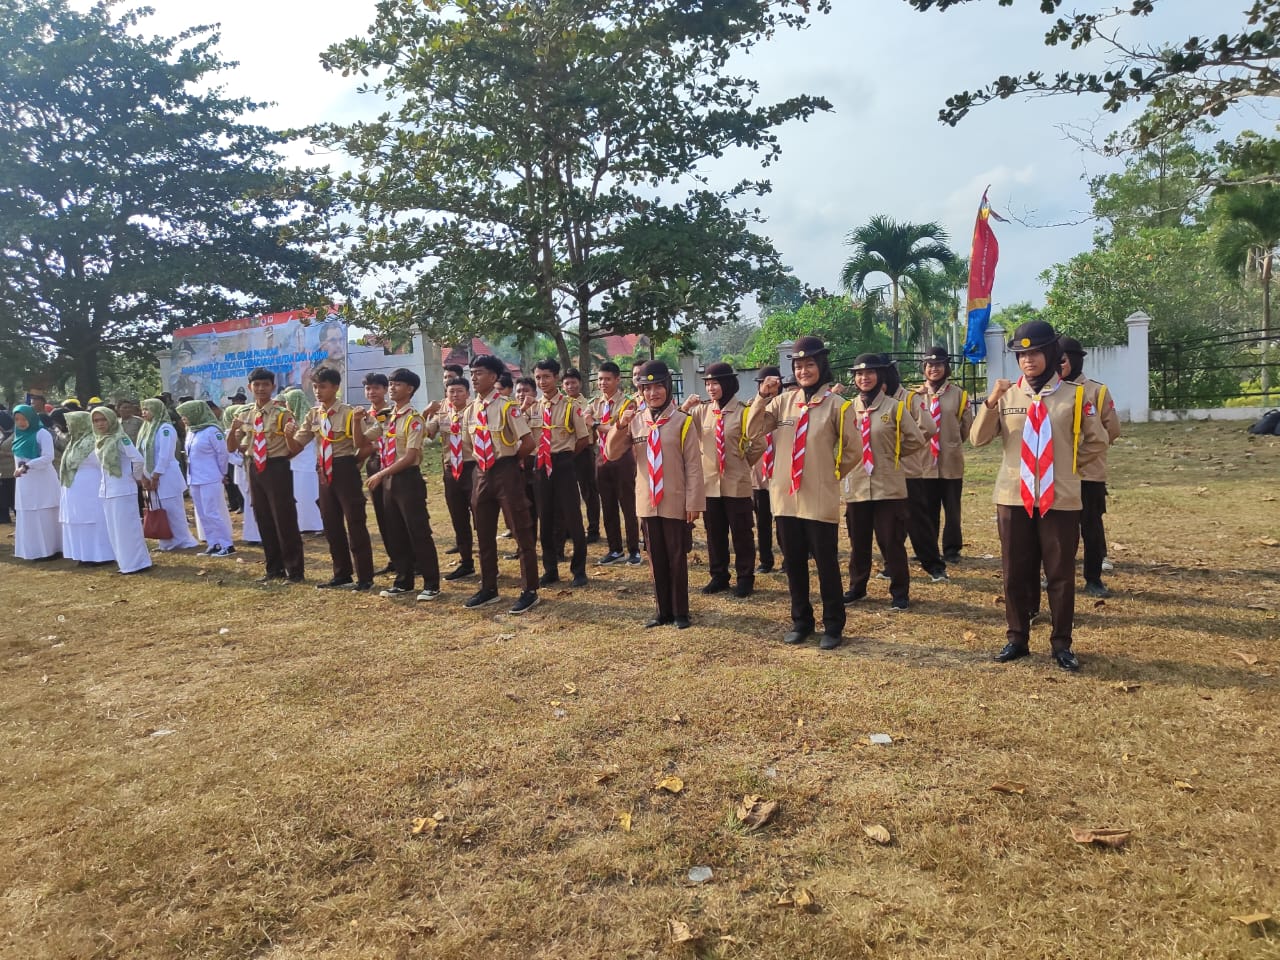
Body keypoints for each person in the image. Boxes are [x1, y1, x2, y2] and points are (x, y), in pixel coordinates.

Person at [971, 319, 1104, 672]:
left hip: (1059, 498)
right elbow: (977, 439)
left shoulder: (1075, 396)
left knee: (1060, 573)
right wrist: (990, 402)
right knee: (1015, 570)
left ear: (1050, 353)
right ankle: (1017, 637)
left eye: (1034, 353)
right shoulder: (1007, 396)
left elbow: (1097, 441)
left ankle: (1061, 643)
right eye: (1021, 354)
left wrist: (1064, 468)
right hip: (1013, 496)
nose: (1027, 360)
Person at [745, 337, 860, 650]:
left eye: (810, 364)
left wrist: (831, 475)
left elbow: (853, 449)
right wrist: (760, 397)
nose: (804, 370)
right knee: (793, 563)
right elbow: (754, 431)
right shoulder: (783, 402)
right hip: (785, 497)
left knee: (826, 564)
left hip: (818, 496)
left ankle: (833, 625)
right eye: (798, 366)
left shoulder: (838, 405)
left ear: (821, 366)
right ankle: (801, 621)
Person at [608, 360, 704, 629]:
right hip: (647, 501)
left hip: (674, 499)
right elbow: (611, 453)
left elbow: (694, 466)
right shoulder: (636, 421)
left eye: (658, 386)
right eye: (647, 388)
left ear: (668, 388)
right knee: (655, 557)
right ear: (641, 391)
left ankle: (681, 612)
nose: (653, 393)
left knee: (676, 557)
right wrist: (619, 426)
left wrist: (694, 502)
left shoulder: (683, 422)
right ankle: (663, 612)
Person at [841, 354, 927, 611]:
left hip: (888, 485)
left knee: (892, 541)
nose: (863, 378)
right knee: (859, 540)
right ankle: (857, 587)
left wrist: (892, 454)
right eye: (858, 374)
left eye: (869, 373)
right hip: (857, 483)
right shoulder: (847, 409)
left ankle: (900, 591)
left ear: (880, 376)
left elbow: (916, 439)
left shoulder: (895, 407)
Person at [463, 354, 540, 614]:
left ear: (494, 377)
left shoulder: (508, 407)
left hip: (506, 471)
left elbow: (528, 443)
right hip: (482, 473)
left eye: (480, 372)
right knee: (483, 532)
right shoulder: (470, 410)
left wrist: (510, 463)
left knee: (521, 530)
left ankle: (529, 590)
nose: (474, 377)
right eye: (472, 372)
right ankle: (489, 588)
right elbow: (466, 443)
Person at [288, 367, 375, 591]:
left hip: (344, 466)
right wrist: (288, 436)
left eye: (323, 386)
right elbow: (297, 446)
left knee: (355, 522)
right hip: (323, 470)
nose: (318, 391)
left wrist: (353, 461)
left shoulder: (348, 412)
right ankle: (341, 573)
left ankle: (365, 576)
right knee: (331, 523)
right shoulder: (313, 414)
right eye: (315, 386)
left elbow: (363, 444)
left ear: (335, 387)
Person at [681, 362, 763, 597]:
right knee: (714, 533)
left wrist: (743, 462)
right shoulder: (702, 411)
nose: (711, 388)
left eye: (715, 383)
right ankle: (719, 575)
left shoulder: (744, 411)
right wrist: (686, 405)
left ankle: (745, 577)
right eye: (707, 383)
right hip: (710, 485)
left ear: (728, 384)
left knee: (742, 533)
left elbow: (758, 443)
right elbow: (678, 425)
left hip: (736, 483)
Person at [363, 368, 443, 602]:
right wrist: (357, 422)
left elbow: (410, 456)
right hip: (389, 479)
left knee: (418, 531)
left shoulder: (414, 419)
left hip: (407, 479)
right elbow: (366, 438)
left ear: (410, 389)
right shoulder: (386, 416)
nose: (392, 387)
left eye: (398, 384)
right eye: (391, 383)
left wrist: (381, 474)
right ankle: (403, 580)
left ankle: (431, 583)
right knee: (395, 530)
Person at [227, 368, 305, 583]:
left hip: (277, 466)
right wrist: (234, 432)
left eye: (265, 384)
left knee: (284, 517)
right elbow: (232, 447)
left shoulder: (282, 414)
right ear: (250, 386)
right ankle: (273, 568)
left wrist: (288, 442)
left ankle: (295, 570)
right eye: (256, 385)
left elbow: (293, 447)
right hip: (254, 466)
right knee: (262, 516)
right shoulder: (244, 414)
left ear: (272, 386)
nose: (261, 389)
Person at [1058, 336, 1122, 598]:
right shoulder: (1051, 392)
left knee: (1091, 527)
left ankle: (1093, 578)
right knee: (1059, 530)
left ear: (1075, 360)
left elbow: (1112, 430)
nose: (1058, 365)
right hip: (1059, 475)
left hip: (1088, 474)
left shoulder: (1096, 391)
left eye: (1062, 360)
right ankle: (1057, 576)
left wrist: (1081, 456)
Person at [905, 346, 973, 580]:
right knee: (925, 509)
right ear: (924, 368)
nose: (934, 369)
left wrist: (951, 442)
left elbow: (966, 427)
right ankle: (928, 549)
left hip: (949, 460)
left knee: (952, 508)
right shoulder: (914, 396)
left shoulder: (959, 395)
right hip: (923, 461)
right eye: (930, 365)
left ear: (946, 368)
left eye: (939, 365)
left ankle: (952, 549)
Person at [526, 359, 590, 588]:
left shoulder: (570, 406)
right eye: (538, 378)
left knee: (572, 516)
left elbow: (583, 438)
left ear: (556, 377)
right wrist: (523, 408)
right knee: (545, 517)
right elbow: (521, 436)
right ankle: (550, 569)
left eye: (546, 377)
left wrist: (566, 456)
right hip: (540, 465)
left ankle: (579, 569)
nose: (542, 382)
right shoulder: (532, 408)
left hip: (563, 463)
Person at [588, 361, 642, 566]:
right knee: (607, 504)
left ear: (618, 380)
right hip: (601, 458)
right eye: (600, 379)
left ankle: (634, 550)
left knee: (627, 504)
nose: (603, 383)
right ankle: (615, 549)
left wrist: (594, 424)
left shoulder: (628, 403)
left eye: (607, 379)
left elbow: (615, 429)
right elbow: (593, 423)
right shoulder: (595, 403)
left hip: (622, 457)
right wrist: (599, 425)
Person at [90, 406, 152, 574]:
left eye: (103, 419)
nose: (100, 424)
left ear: (111, 419)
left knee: (127, 528)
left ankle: (137, 563)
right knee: (115, 529)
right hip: (107, 490)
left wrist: (136, 476)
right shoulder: (100, 440)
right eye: (96, 420)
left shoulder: (120, 438)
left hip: (123, 489)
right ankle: (125, 563)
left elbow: (138, 459)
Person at [427, 377, 477, 581]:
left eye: (459, 391)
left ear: (467, 393)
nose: (455, 395)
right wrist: (427, 413)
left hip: (473, 467)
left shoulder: (476, 411)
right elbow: (428, 434)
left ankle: (489, 562)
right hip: (451, 470)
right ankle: (466, 563)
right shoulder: (442, 413)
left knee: (481, 517)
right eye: (451, 392)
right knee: (458, 518)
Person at [137, 398, 200, 550]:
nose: (144, 412)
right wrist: (144, 475)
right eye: (143, 409)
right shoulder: (146, 428)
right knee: (158, 507)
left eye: (148, 409)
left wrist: (156, 475)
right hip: (151, 474)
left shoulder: (165, 428)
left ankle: (183, 540)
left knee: (172, 508)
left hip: (165, 475)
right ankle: (166, 541)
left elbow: (165, 454)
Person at [176, 400, 235, 556]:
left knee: (212, 512)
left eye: (186, 416)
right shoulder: (192, 431)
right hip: (194, 478)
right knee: (202, 513)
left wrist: (222, 473)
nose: (183, 419)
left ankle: (227, 544)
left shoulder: (212, 431)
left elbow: (222, 454)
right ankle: (213, 543)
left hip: (210, 477)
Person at [57, 410, 114, 565]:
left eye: (71, 423)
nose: (68, 427)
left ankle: (100, 555)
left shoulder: (93, 442)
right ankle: (84, 554)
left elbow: (102, 465)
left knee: (94, 519)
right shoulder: (74, 443)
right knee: (78, 521)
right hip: (74, 489)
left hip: (91, 487)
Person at [11, 403, 62, 560]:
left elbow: (48, 457)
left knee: (45, 512)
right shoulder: (18, 434)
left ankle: (51, 550)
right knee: (29, 514)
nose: (21, 422)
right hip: (25, 482)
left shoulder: (42, 433)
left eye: (24, 419)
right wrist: (22, 469)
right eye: (17, 419)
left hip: (42, 480)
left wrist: (28, 466)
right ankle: (33, 550)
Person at [750, 367, 783, 575]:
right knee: (762, 521)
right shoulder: (753, 408)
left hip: (780, 474)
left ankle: (788, 559)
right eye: (764, 385)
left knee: (783, 521)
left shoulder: (785, 408)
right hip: (759, 475)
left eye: (772, 385)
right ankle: (765, 559)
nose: (769, 389)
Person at [361, 372, 395, 575]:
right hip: (373, 464)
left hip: (390, 462)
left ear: (385, 390)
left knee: (394, 513)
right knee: (382, 514)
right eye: (368, 388)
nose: (372, 392)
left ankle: (409, 558)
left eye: (376, 388)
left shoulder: (389, 412)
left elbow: (378, 441)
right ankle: (394, 557)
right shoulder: (366, 414)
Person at [562, 367, 601, 543]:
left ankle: (593, 529)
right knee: (568, 493)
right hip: (565, 453)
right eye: (567, 383)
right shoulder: (560, 405)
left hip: (584, 451)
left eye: (574, 382)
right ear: (562, 385)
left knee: (589, 491)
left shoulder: (588, 405)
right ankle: (569, 528)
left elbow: (587, 433)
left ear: (580, 384)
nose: (570, 386)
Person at [282, 388, 324, 533]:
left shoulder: (310, 419)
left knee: (312, 495)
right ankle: (304, 524)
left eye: (288, 402)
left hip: (308, 464)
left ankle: (318, 525)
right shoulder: (291, 420)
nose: (286, 405)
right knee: (300, 497)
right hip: (297, 464)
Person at [223, 404, 260, 546]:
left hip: (254, 470)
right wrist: (243, 461)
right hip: (243, 471)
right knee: (250, 504)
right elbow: (231, 454)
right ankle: (253, 534)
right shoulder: (233, 433)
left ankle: (258, 534)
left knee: (256, 504)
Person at [0, 409, 16, 525]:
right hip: (2, 474)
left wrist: (4, 454)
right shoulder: (1, 435)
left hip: (13, 473)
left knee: (14, 502)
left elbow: (20, 454)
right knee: (2, 503)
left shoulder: (17, 435)